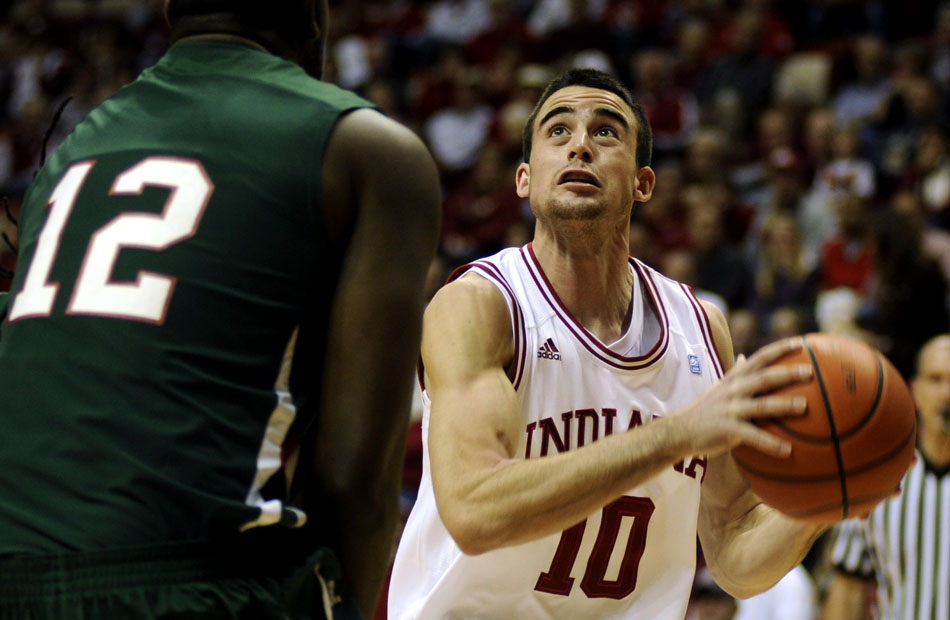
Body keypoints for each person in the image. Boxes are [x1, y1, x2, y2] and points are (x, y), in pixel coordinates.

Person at [0, 0, 441, 618]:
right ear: (313, 17)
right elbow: (354, 486)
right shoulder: (367, 148)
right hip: (191, 583)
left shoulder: (71, 152)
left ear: (169, 11)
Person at [389, 68, 826, 619]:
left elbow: (735, 557)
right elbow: (476, 512)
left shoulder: (699, 328)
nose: (579, 145)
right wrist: (675, 435)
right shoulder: (481, 305)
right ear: (524, 178)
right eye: (557, 131)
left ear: (643, 183)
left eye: (605, 132)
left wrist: (825, 494)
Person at [822, 334, 950, 620]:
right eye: (936, 379)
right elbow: (848, 590)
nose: (946, 393)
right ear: (915, 391)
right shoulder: (879, 482)